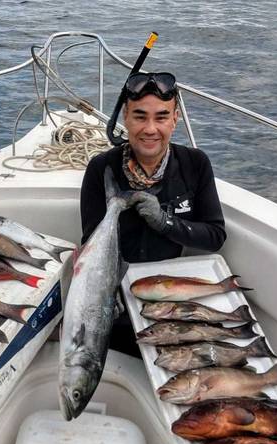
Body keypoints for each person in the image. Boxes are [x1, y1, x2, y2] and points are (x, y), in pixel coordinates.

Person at [80, 71, 226, 356]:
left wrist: (165, 222)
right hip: (116, 300)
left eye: (161, 117)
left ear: (175, 119)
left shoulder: (195, 164)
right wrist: (106, 290)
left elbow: (215, 236)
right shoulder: (102, 168)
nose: (150, 129)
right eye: (140, 116)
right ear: (125, 117)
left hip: (170, 299)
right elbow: (92, 244)